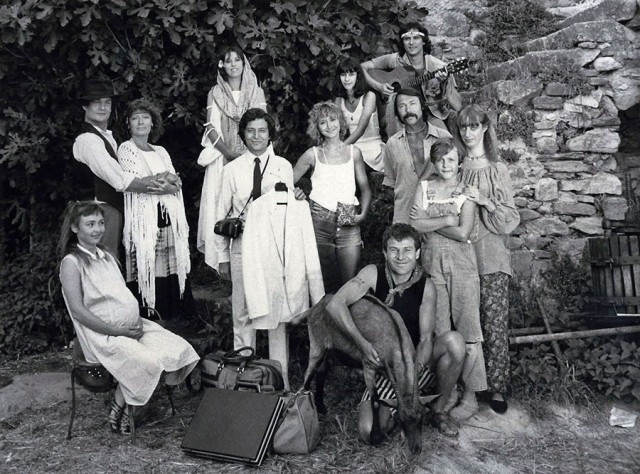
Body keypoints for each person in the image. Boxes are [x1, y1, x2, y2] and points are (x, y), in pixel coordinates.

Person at [58, 201, 199, 434]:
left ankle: (123, 399)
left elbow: (118, 294)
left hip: (132, 328)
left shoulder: (106, 256)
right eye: (90, 224)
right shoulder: (71, 263)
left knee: (176, 347)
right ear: (75, 228)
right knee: (147, 361)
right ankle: (122, 409)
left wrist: (133, 322)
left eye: (100, 223)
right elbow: (79, 312)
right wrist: (118, 331)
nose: (97, 229)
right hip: (103, 336)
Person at [327, 223, 465, 438]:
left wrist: (413, 373)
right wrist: (362, 344)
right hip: (386, 368)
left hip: (415, 365)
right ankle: (403, 409)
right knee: (368, 431)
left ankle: (438, 411)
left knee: (455, 342)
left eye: (407, 250)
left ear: (417, 253)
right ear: (385, 252)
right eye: (394, 250)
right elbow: (335, 305)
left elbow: (426, 339)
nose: (401, 257)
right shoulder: (373, 274)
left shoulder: (426, 286)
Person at [409, 138, 486, 422]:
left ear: (460, 162)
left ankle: (472, 396)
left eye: (451, 159)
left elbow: (464, 233)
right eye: (440, 159)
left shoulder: (465, 191)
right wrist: (447, 220)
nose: (446, 165)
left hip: (462, 264)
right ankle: (447, 391)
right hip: (432, 264)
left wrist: (430, 221)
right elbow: (414, 224)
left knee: (469, 331)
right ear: (433, 162)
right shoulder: (424, 187)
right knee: (440, 332)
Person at [451, 104, 520, 414]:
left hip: (491, 257)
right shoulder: (455, 167)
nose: (468, 133)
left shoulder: (496, 168)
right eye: (463, 127)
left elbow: (509, 219)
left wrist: (484, 201)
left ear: (485, 128)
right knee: (466, 325)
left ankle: (497, 388)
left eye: (474, 126)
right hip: (461, 258)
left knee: (493, 325)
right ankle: (469, 387)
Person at [215, 108, 294, 350]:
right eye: (251, 131)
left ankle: (277, 366)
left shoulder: (283, 166)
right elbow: (221, 216)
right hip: (243, 243)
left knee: (276, 306)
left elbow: (289, 212)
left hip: (274, 244)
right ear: (243, 135)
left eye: (262, 131)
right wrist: (223, 257)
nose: (256, 136)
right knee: (242, 308)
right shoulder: (232, 170)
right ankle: (243, 362)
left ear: (270, 134)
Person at [72, 79, 178, 260]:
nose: (102, 107)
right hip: (97, 211)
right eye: (96, 102)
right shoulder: (88, 140)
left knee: (111, 262)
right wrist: (163, 186)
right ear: (85, 107)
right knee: (102, 262)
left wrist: (171, 182)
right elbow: (120, 180)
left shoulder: (108, 138)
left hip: (112, 211)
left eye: (107, 102)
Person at [117, 99, 193, 321]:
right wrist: (167, 181)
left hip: (168, 215)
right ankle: (150, 316)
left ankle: (174, 316)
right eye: (135, 118)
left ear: (153, 123)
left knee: (169, 266)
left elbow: (177, 181)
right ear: (128, 123)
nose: (140, 122)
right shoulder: (126, 149)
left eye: (145, 117)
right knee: (147, 264)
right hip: (144, 219)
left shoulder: (161, 151)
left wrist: (171, 183)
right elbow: (136, 182)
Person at [197, 45, 268, 271]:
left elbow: (262, 125)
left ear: (244, 63)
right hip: (223, 156)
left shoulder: (256, 91)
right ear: (222, 65)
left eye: (237, 59)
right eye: (228, 61)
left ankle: (256, 261)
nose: (233, 64)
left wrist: (248, 154)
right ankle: (226, 263)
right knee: (222, 205)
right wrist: (229, 154)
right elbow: (210, 127)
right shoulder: (215, 92)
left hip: (253, 156)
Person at [293, 101, 372, 294]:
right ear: (317, 127)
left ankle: (347, 313)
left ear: (340, 121)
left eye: (333, 119)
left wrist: (363, 213)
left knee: (350, 282)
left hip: (348, 216)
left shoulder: (354, 152)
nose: (329, 126)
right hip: (320, 219)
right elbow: (286, 182)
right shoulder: (312, 154)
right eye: (323, 122)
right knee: (323, 283)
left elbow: (365, 188)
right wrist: (296, 193)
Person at [360, 22, 461, 137]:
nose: (411, 42)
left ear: (423, 41)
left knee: (445, 139)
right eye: (407, 38)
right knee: (397, 135)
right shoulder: (395, 60)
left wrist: (444, 82)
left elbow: (457, 106)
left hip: (429, 116)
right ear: (403, 43)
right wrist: (379, 87)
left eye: (416, 38)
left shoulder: (439, 67)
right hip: (397, 115)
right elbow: (361, 67)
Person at [381, 87, 451, 225]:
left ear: (422, 106)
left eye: (412, 104)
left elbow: (454, 177)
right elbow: (389, 184)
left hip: (438, 218)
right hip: (404, 220)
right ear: (397, 112)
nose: (408, 110)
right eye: (402, 106)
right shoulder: (392, 144)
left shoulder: (443, 137)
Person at [332, 58, 385, 173]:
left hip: (372, 151)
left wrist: (339, 148)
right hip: (351, 148)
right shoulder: (339, 100)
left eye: (351, 74)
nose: (347, 79)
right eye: (343, 74)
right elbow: (337, 129)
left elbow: (361, 129)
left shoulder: (369, 96)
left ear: (358, 76)